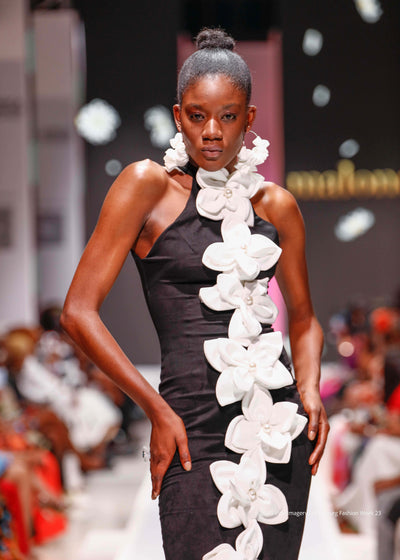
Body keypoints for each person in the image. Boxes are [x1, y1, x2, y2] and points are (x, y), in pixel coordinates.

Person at [61, 28, 329, 560]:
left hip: (274, 428)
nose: (211, 131)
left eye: (228, 116)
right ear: (178, 116)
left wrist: (311, 388)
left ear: (249, 119)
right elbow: (77, 313)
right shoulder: (145, 186)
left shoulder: (276, 205)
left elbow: (303, 319)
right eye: (197, 115)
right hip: (186, 429)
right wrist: (155, 410)